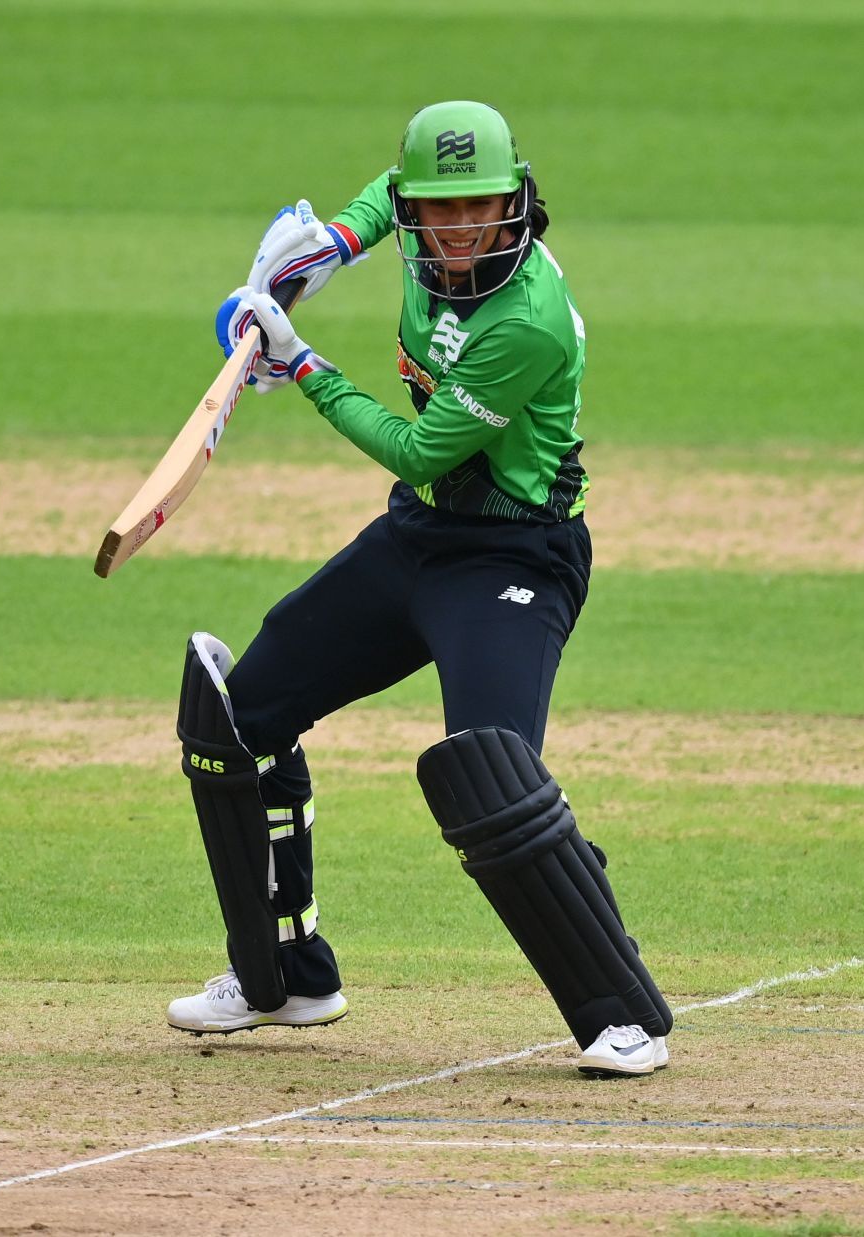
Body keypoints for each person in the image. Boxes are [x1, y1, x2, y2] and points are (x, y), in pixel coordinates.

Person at [165, 101, 673, 1077]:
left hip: (515, 558)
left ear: (513, 202)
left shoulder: (525, 323)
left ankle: (622, 1010)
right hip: (420, 535)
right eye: (438, 213)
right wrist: (312, 259)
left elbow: (412, 444)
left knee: (494, 779)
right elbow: (371, 211)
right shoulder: (417, 223)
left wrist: (299, 363)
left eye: (479, 209)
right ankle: (285, 974)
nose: (458, 231)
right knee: (243, 717)